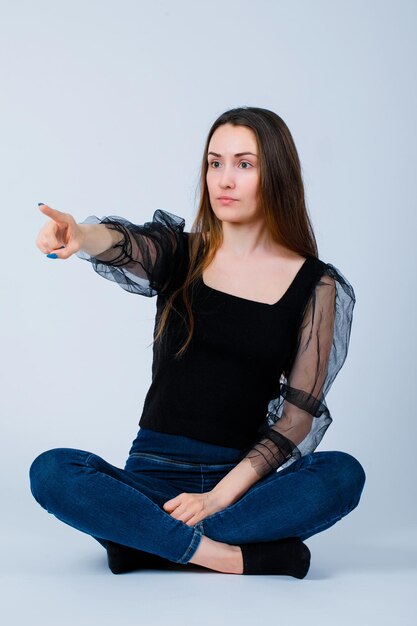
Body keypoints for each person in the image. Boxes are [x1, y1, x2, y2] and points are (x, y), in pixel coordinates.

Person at [29, 106, 365, 578]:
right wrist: (81, 234)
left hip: (242, 485)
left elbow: (295, 422)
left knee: (343, 474)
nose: (224, 179)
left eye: (244, 164)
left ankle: (143, 542)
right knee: (52, 470)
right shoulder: (180, 252)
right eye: (215, 163)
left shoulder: (316, 286)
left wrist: (217, 497)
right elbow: (123, 242)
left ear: (277, 175)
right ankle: (228, 557)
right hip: (152, 477)